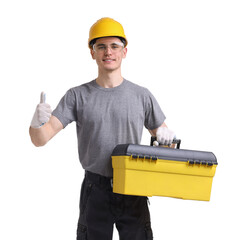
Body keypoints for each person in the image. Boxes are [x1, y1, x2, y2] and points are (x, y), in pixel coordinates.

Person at [29, 17, 175, 240]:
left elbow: (169, 144)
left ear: (124, 52)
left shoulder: (141, 95)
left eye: (114, 46)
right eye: (101, 47)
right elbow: (40, 139)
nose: (109, 52)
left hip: (133, 185)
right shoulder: (77, 96)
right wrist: (36, 123)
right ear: (92, 53)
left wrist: (165, 140)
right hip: (95, 188)